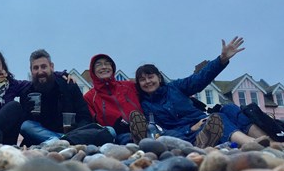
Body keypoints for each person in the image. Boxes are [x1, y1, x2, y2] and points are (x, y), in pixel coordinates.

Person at [133, 37, 271, 148]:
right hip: (187, 133)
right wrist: (190, 129)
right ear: (139, 84)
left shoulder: (175, 87)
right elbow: (159, 130)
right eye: (142, 79)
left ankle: (269, 141)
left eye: (150, 77)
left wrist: (221, 60)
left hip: (203, 119)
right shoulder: (146, 105)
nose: (147, 81)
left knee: (229, 108)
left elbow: (199, 79)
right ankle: (250, 144)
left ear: (159, 77)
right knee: (217, 118)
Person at [19, 49, 93, 145]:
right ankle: (64, 141)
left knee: (109, 130)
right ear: (31, 70)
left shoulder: (68, 85)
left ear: (52, 67)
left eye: (44, 67)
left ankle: (62, 141)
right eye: (36, 68)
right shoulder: (27, 92)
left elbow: (85, 117)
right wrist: (29, 112)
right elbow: (25, 125)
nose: (40, 71)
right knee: (26, 126)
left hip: (72, 133)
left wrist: (76, 130)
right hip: (42, 136)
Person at [83, 53, 145, 144]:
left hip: (145, 127)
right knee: (125, 138)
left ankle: (142, 136)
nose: (104, 67)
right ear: (93, 71)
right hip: (117, 135)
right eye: (98, 65)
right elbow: (90, 122)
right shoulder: (89, 97)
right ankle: (138, 140)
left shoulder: (130, 86)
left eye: (107, 64)